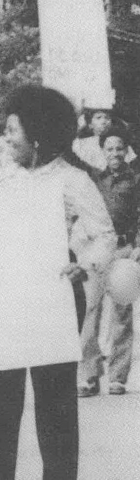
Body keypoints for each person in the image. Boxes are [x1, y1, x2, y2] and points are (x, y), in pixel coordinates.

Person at [0, 85, 116, 480]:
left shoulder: (71, 179)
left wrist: (82, 264)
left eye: (13, 129)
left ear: (39, 135)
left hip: (53, 296)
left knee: (54, 398)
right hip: (6, 296)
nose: (6, 137)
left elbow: (103, 234)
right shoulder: (1, 178)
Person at [78, 126, 140, 397]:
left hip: (124, 250)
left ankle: (117, 376)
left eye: (119, 148)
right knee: (91, 311)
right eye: (109, 148)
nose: (114, 153)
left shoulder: (135, 179)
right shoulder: (94, 178)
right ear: (102, 151)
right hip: (97, 249)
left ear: (127, 151)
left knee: (122, 313)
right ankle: (90, 375)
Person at [72, 107, 136, 172]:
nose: (104, 121)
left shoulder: (119, 142)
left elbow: (129, 163)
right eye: (98, 118)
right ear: (90, 124)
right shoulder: (81, 144)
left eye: (107, 118)